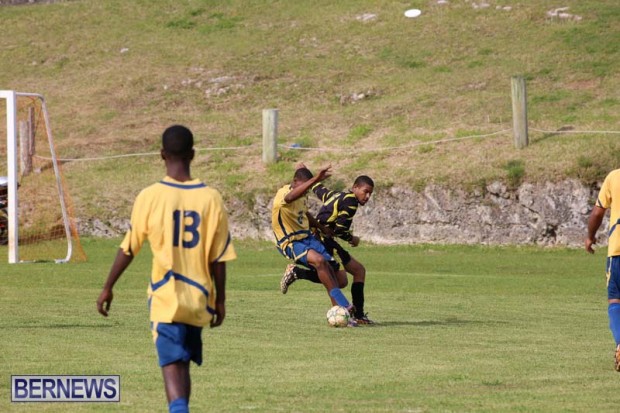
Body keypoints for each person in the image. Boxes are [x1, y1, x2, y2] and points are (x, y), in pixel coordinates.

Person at [96, 125, 236, 413]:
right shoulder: (211, 198)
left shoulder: (150, 196)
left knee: (172, 363)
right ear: (192, 154)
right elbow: (219, 258)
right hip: (199, 297)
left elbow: (129, 247)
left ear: (162, 154)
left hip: (166, 295)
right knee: (182, 362)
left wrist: (108, 287)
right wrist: (220, 300)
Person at [280, 173, 376, 324]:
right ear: (355, 188)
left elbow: (318, 189)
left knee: (357, 271)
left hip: (322, 238)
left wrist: (308, 174)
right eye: (365, 191)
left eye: (370, 193)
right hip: (324, 241)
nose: (367, 196)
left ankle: (358, 315)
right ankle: (298, 273)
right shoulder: (351, 202)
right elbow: (340, 230)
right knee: (341, 279)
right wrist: (353, 239)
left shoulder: (337, 195)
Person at [271, 164, 357, 325]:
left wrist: (322, 228)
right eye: (304, 187)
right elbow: (289, 198)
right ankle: (343, 305)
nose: (306, 191)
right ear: (294, 181)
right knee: (319, 261)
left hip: (308, 237)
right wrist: (316, 178)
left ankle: (298, 273)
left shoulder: (302, 195)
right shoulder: (283, 193)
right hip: (290, 242)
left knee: (340, 279)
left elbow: (305, 214)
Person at [586, 167, 620, 371]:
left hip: (617, 251)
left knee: (615, 300)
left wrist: (590, 237)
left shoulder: (614, 177)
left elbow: (598, 212)